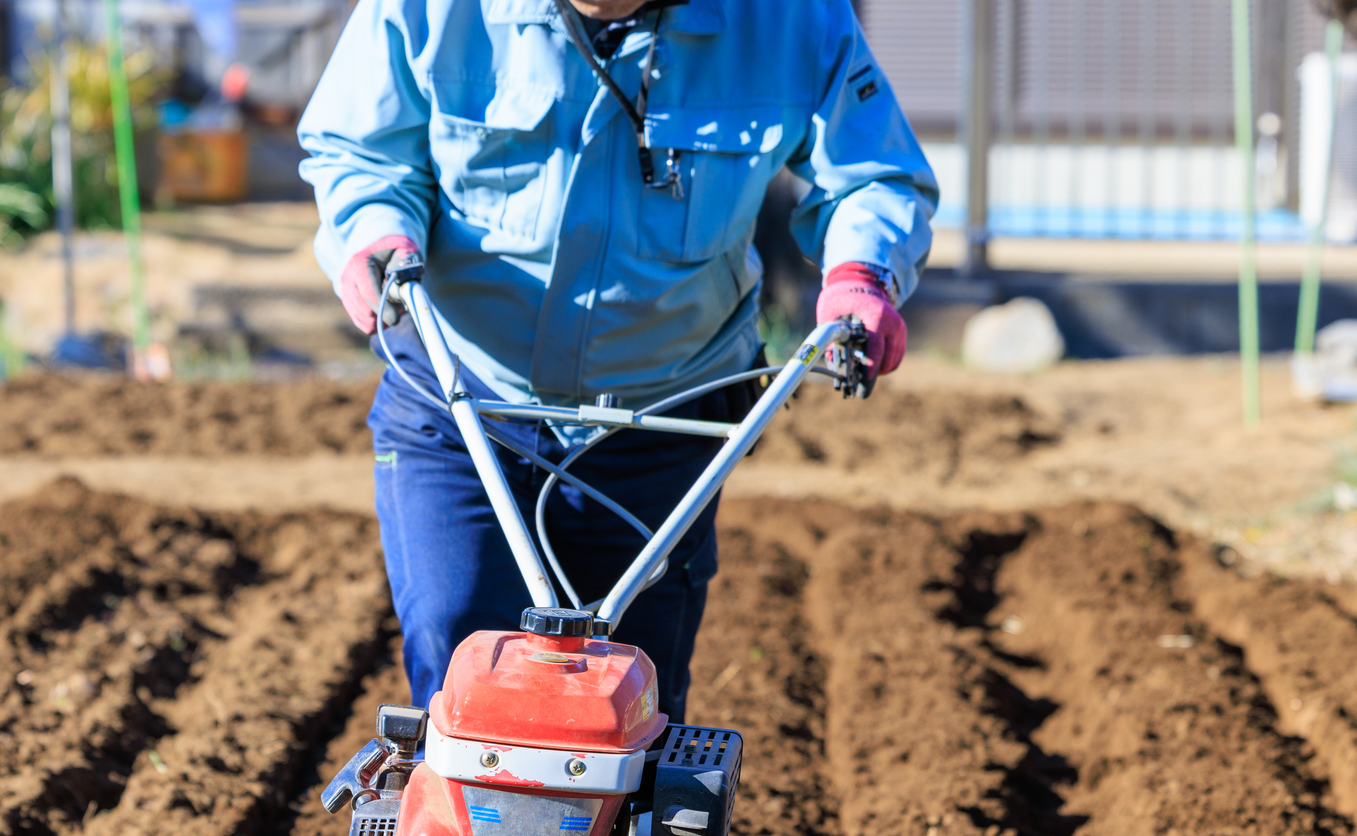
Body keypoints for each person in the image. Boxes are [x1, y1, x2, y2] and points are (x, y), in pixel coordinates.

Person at [300, 0, 936, 721]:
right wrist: (376, 231)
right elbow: (361, 150)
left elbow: (873, 175)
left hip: (664, 418)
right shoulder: (429, 10)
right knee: (462, 663)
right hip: (464, 405)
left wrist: (861, 272)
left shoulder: (790, 22)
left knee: (630, 706)